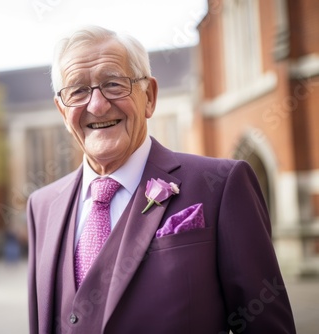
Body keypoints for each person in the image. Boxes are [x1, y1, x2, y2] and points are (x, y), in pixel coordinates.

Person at [26, 26, 296, 333]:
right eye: (77, 91)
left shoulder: (222, 185)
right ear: (63, 112)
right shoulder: (41, 206)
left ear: (150, 97)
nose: (97, 105)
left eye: (114, 84)